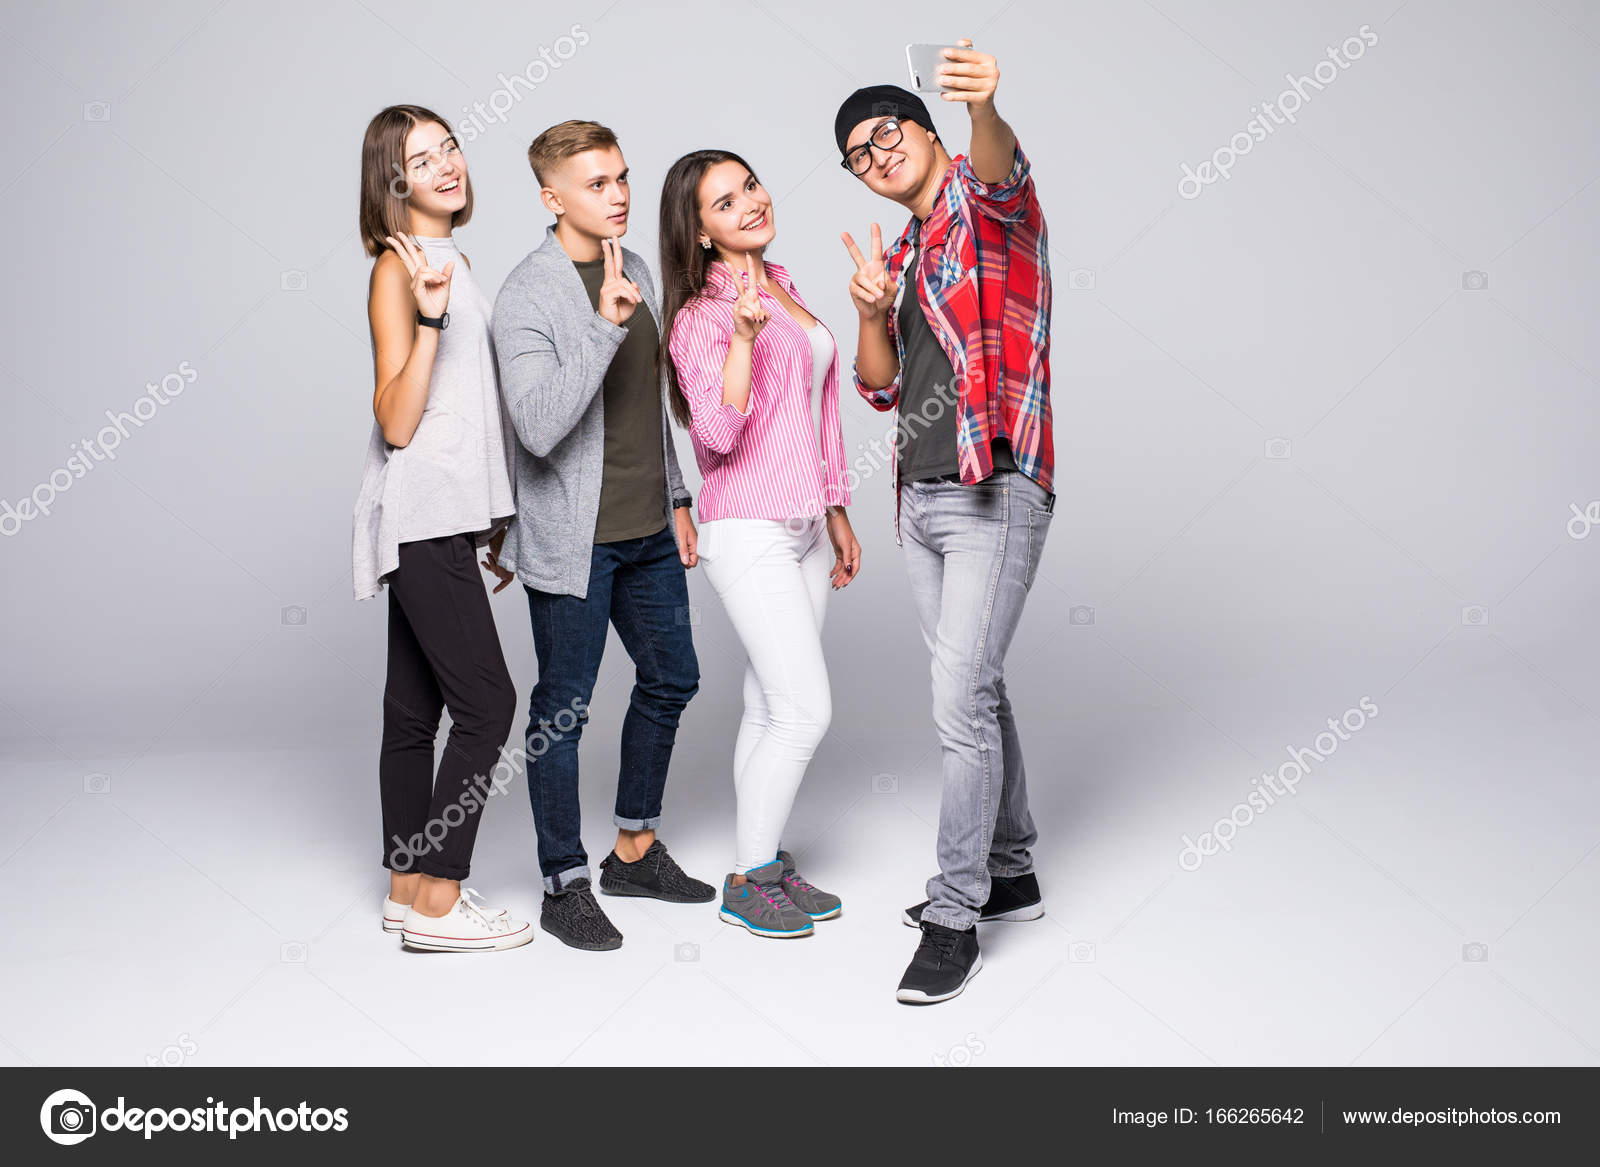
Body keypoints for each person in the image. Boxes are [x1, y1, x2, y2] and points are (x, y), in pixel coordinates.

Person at [835, 41, 1056, 1002]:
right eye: (857, 154)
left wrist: (985, 106)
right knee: (976, 685)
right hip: (921, 494)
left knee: (956, 702)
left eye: (887, 133)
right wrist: (872, 312)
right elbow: (880, 389)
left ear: (926, 129)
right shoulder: (899, 250)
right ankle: (1012, 868)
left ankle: (956, 911)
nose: (877, 155)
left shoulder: (983, 204)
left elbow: (1001, 170)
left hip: (994, 487)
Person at [491, 121, 714, 953]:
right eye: (596, 183)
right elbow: (540, 428)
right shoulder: (528, 295)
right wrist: (604, 325)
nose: (619, 194)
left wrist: (681, 495)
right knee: (563, 710)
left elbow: (649, 404)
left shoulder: (639, 267)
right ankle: (563, 881)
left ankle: (633, 848)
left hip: (650, 526)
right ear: (552, 198)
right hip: (573, 541)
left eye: (622, 177)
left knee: (672, 679)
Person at [659, 148, 860, 939]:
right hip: (745, 526)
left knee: (768, 702)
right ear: (701, 233)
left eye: (749, 185)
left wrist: (836, 506)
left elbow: (822, 409)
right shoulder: (700, 317)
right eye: (723, 203)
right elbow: (715, 431)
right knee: (805, 710)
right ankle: (748, 879)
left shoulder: (790, 288)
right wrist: (742, 336)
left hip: (807, 522)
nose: (749, 203)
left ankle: (766, 862)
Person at [352, 104, 531, 953]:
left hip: (445, 518)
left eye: (450, 148)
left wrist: (487, 522)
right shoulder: (401, 267)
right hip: (420, 513)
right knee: (489, 703)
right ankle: (440, 899)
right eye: (424, 159)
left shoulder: (453, 258)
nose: (448, 166)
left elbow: (472, 411)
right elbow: (397, 419)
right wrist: (427, 317)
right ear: (394, 181)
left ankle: (401, 886)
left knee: (413, 708)